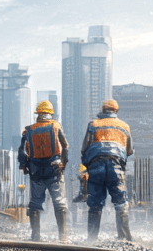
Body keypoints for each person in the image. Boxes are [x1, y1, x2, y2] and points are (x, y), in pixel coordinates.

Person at [81, 98, 134, 241]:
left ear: (103, 110)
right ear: (116, 110)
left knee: (95, 203)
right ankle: (124, 237)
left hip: (95, 165)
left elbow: (84, 148)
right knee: (120, 202)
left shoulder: (93, 125)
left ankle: (92, 238)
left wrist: (87, 165)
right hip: (116, 165)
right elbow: (129, 150)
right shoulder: (124, 126)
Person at [18, 100, 70, 242]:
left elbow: (22, 151)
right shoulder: (55, 126)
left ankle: (35, 236)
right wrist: (63, 164)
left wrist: (23, 166)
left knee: (35, 202)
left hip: (35, 171)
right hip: (54, 170)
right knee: (59, 202)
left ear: (39, 114)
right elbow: (65, 146)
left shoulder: (28, 130)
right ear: (50, 114)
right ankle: (63, 237)